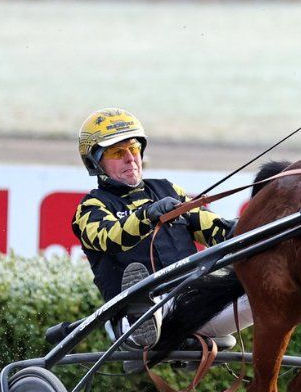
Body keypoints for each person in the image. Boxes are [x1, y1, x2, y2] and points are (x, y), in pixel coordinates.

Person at [70, 108, 247, 349]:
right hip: (135, 312)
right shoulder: (91, 206)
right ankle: (138, 322)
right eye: (117, 152)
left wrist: (245, 228)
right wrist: (148, 215)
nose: (130, 158)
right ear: (94, 161)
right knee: (144, 299)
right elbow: (110, 238)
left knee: (265, 292)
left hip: (194, 308)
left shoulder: (168, 190)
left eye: (133, 149)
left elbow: (215, 230)